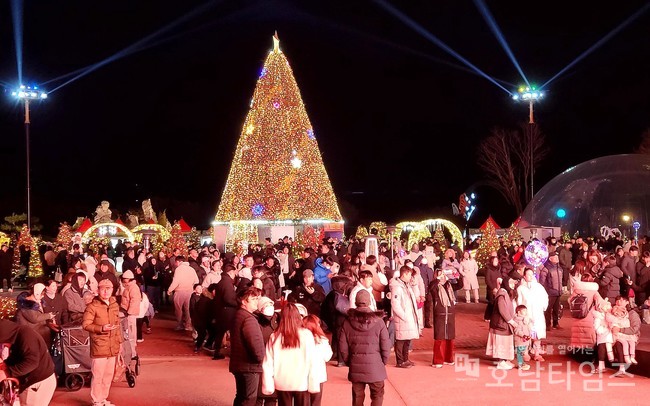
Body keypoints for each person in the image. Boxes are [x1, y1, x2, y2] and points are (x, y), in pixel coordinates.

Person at [339, 288, 390, 406]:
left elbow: (343, 347)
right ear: (369, 302)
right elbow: (385, 345)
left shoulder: (347, 322)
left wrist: (349, 361)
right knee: (377, 395)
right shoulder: (379, 322)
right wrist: (383, 361)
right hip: (376, 365)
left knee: (357, 397)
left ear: (356, 302)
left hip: (355, 364)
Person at [262, 303, 320, 405]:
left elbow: (268, 363)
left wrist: (268, 384)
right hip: (301, 381)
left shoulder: (274, 336)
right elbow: (313, 361)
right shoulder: (306, 335)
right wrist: (314, 382)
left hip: (282, 381)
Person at [82, 279, 123, 406]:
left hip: (112, 346)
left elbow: (118, 325)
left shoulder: (114, 305)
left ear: (112, 290)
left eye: (108, 289)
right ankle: (96, 400)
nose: (105, 291)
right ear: (98, 290)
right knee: (98, 376)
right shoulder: (92, 306)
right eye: (103, 289)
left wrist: (120, 343)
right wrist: (101, 328)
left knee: (108, 375)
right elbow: (85, 324)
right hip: (99, 346)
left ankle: (103, 399)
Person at [0, 319, 57, 406]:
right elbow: (17, 356)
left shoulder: (26, 336)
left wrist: (7, 372)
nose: (4, 345)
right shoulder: (18, 335)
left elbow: (31, 362)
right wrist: (6, 364)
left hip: (37, 382)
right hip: (37, 380)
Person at [229, 287, 265, 406]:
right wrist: (260, 359)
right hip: (249, 366)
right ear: (244, 302)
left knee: (241, 396)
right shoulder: (249, 319)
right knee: (249, 398)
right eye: (253, 299)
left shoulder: (239, 315)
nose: (256, 302)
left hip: (240, 364)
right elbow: (255, 343)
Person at [429, 268, 462, 368]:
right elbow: (431, 287)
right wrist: (438, 279)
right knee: (440, 337)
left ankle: (448, 358)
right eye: (440, 275)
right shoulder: (435, 286)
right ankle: (438, 360)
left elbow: (460, 285)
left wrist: (457, 276)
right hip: (440, 314)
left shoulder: (449, 286)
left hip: (450, 314)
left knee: (450, 337)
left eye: (443, 274)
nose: (443, 276)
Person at [389, 265, 420, 368]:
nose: (410, 277)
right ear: (405, 274)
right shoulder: (397, 287)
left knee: (407, 339)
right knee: (401, 340)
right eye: (409, 274)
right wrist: (404, 316)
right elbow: (395, 303)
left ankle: (406, 359)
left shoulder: (407, 285)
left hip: (409, 316)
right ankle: (400, 361)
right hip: (403, 318)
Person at [516, 268, 549, 362]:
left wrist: (543, 307)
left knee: (537, 335)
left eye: (532, 274)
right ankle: (525, 353)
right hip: (526, 314)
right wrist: (520, 313)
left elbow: (545, 297)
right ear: (524, 276)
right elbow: (519, 301)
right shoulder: (521, 288)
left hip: (537, 313)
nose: (530, 277)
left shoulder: (539, 287)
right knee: (526, 334)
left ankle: (537, 353)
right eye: (528, 275)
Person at [486, 277, 518, 370]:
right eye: (511, 283)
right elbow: (502, 310)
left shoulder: (504, 293)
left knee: (506, 342)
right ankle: (501, 362)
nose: (513, 285)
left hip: (503, 323)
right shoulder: (501, 295)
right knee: (502, 342)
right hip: (501, 324)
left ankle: (505, 360)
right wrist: (510, 321)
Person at [302, 315, 332, 406]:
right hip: (318, 375)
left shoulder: (299, 339)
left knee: (303, 402)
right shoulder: (322, 340)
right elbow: (327, 356)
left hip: (302, 375)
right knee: (316, 402)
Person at [213, 264, 239, 360]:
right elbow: (228, 299)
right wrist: (238, 303)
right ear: (231, 273)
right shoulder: (227, 283)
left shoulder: (222, 281)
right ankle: (233, 353)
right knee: (233, 333)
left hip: (221, 311)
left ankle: (217, 352)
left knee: (220, 333)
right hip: (228, 312)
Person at [167, 255, 199, 331]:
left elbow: (175, 281)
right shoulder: (191, 269)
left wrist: (169, 290)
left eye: (176, 262)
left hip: (179, 292)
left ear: (178, 262)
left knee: (178, 309)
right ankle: (188, 325)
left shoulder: (178, 269)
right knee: (188, 309)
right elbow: (196, 281)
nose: (176, 264)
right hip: (190, 292)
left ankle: (180, 324)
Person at [120, 269, 142, 356]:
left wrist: (129, 312)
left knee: (131, 333)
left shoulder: (133, 288)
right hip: (128, 313)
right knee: (129, 332)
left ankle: (132, 353)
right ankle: (131, 351)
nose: (124, 282)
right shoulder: (130, 287)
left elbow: (135, 301)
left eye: (125, 280)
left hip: (130, 314)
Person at [513, 305, 533, 371]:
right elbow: (517, 330)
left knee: (523, 351)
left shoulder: (526, 320)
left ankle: (522, 363)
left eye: (526, 311)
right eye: (524, 311)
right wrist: (523, 335)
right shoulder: (517, 321)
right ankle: (520, 364)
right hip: (520, 339)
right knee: (520, 352)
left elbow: (529, 328)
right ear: (518, 312)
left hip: (526, 339)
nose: (525, 312)